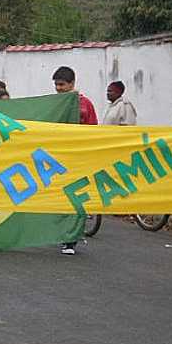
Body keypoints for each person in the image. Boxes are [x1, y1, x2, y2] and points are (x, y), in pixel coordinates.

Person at [52, 66, 98, 255]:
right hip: (60, 159)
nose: (59, 88)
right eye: (56, 85)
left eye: (62, 85)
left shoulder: (85, 104)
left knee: (76, 199)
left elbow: (94, 129)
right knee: (61, 200)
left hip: (79, 159)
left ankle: (71, 240)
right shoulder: (54, 104)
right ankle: (64, 235)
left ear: (72, 84)